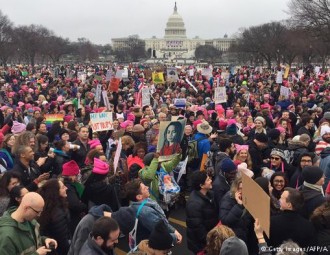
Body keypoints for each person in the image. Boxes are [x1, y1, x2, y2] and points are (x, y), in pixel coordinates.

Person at [124, 179, 182, 245]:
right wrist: (175, 237)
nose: (147, 187)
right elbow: (160, 230)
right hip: (152, 244)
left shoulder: (135, 204)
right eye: (144, 188)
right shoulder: (146, 212)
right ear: (139, 197)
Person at [186, 171, 218, 254]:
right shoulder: (194, 204)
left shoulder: (209, 194)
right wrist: (209, 242)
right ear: (201, 185)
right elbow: (198, 229)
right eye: (208, 180)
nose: (211, 180)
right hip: (202, 245)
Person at [37, 179, 71, 255]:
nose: (66, 188)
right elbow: (62, 239)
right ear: (56, 192)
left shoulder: (47, 207)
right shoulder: (58, 213)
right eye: (62, 187)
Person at [62, 160, 87, 235]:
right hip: (72, 220)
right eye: (76, 175)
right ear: (71, 175)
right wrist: (85, 206)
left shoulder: (65, 184)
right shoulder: (69, 188)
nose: (77, 176)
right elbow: (75, 205)